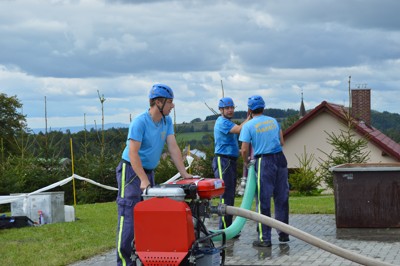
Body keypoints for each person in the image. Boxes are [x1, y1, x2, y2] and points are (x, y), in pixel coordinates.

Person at [115, 84, 193, 266]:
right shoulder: (140, 122)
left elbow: (173, 147)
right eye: (170, 102)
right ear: (158, 102)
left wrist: (184, 173)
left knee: (149, 218)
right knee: (129, 217)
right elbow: (133, 153)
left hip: (148, 172)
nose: (172, 106)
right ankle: (124, 262)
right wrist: (142, 178)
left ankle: (145, 258)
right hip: (132, 173)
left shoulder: (166, 122)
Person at [239, 95, 290, 248]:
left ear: (249, 110)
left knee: (263, 201)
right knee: (282, 199)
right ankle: (283, 234)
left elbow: (244, 149)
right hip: (281, 159)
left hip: (264, 162)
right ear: (264, 107)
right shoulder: (273, 121)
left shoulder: (248, 126)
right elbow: (281, 142)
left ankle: (265, 238)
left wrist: (247, 162)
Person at [212, 97, 249, 231]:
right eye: (227, 108)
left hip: (230, 160)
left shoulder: (227, 122)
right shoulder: (222, 122)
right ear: (221, 110)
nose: (230, 110)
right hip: (223, 161)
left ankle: (229, 227)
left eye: (232, 108)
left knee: (230, 195)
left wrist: (240, 151)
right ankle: (224, 229)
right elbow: (239, 129)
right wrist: (250, 118)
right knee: (226, 194)